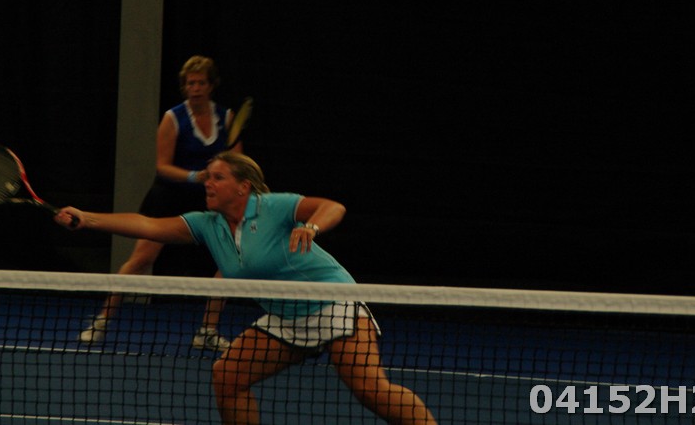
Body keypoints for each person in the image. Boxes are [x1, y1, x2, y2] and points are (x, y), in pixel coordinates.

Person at [55, 152, 437, 425]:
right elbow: (148, 225)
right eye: (207, 177)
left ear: (243, 187)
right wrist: (87, 218)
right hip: (285, 317)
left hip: (333, 303)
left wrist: (311, 227)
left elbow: (333, 206)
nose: (208, 182)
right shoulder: (208, 225)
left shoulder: (272, 207)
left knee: (369, 388)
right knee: (227, 376)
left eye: (217, 177)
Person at [79, 55, 240, 350]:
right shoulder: (172, 118)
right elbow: (162, 166)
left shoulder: (227, 118)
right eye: (190, 83)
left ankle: (207, 330)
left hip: (210, 199)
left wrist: (222, 177)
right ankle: (102, 320)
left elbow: (238, 163)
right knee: (141, 260)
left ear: (211, 85)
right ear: (184, 87)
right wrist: (195, 176)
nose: (195, 88)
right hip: (169, 196)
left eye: (201, 83)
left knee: (227, 264)